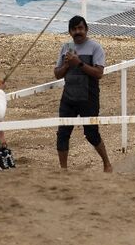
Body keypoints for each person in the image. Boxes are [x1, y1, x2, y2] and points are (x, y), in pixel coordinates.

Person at [54, 16, 111, 172]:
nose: (78, 32)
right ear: (70, 31)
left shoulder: (95, 48)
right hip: (68, 97)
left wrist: (78, 63)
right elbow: (57, 74)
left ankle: (107, 163)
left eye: (80, 28)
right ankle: (63, 170)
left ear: (86, 29)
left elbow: (99, 73)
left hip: (89, 97)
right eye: (74, 29)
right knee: (63, 134)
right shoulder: (66, 47)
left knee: (91, 133)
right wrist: (66, 65)